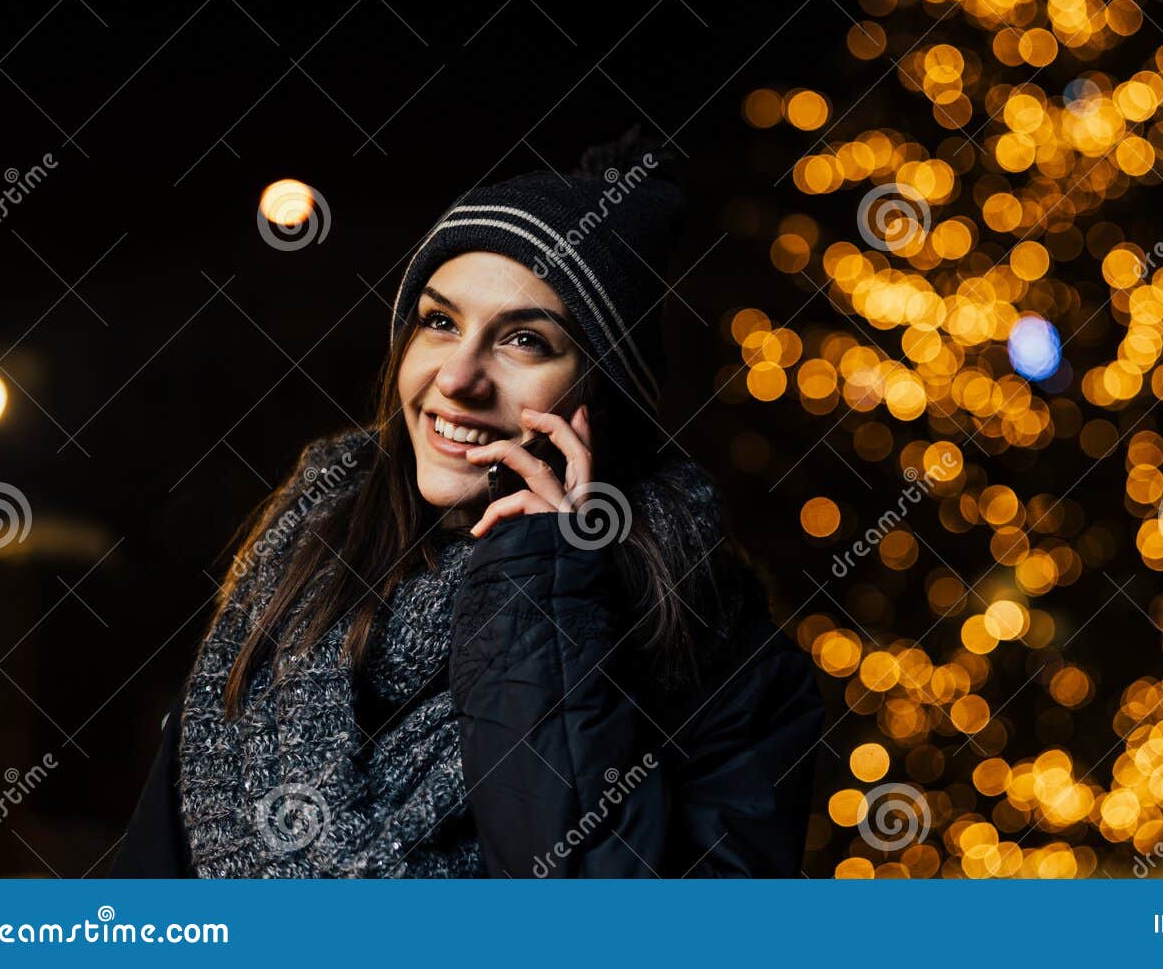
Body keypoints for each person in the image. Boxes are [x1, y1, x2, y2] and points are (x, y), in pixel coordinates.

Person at [107, 131, 826, 877]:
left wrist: (543, 585)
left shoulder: (729, 661)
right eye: (439, 321)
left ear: (604, 399)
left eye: (523, 340)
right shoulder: (297, 566)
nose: (458, 378)